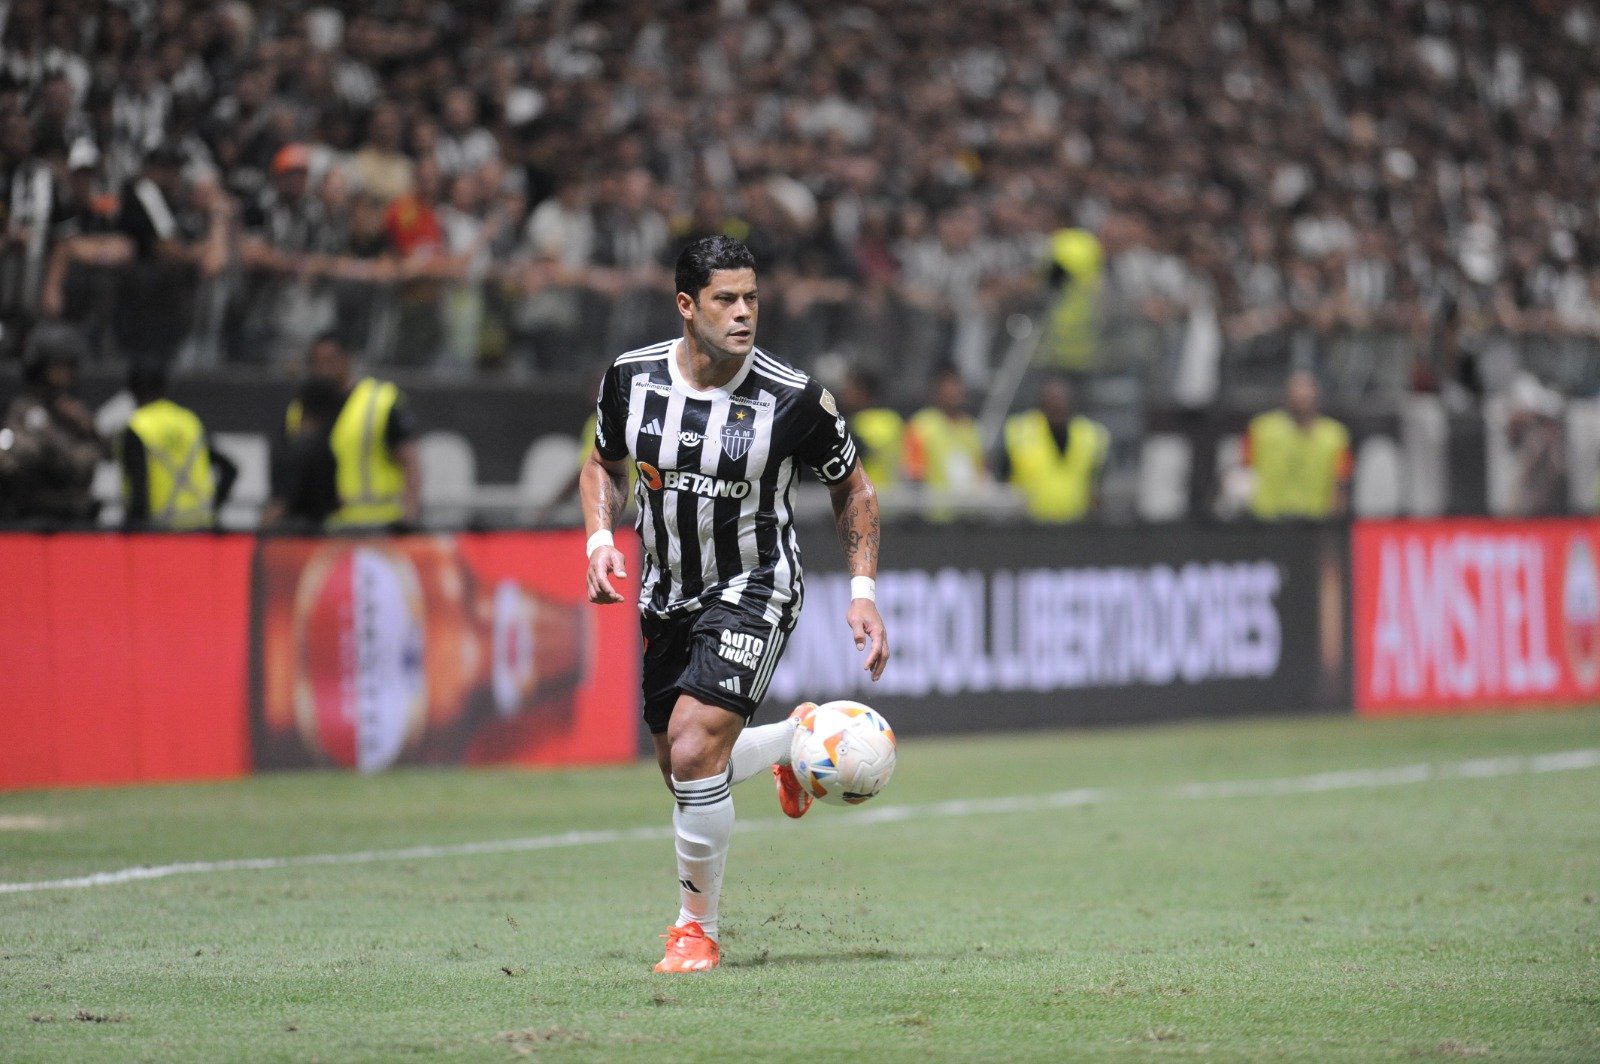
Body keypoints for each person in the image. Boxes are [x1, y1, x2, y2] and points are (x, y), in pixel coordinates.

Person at [580, 235, 889, 973]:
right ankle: (791, 739)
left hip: (755, 585)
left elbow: (853, 487)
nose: (744, 312)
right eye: (726, 299)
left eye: (752, 297)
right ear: (687, 306)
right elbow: (601, 464)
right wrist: (598, 538)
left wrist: (863, 591)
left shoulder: (795, 397)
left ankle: (696, 930)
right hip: (665, 592)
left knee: (695, 749)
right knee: (682, 767)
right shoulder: (631, 379)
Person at [270, 333, 420, 530]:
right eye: (317, 362)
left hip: (375, 525)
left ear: (346, 359)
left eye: (330, 360)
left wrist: (409, 519)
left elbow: (409, 461)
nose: (323, 368)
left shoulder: (377, 402)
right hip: (319, 528)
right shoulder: (298, 410)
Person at [0, 326, 105, 524]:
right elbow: (9, 462)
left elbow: (91, 459)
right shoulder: (22, 410)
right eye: (57, 367)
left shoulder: (75, 413)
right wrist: (45, 441)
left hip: (74, 520)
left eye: (68, 367)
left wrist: (88, 428)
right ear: (39, 368)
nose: (64, 375)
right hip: (27, 519)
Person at [117, 361, 238, 530]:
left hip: (158, 532)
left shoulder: (137, 427)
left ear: (131, 391)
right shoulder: (189, 422)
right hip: (200, 530)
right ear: (165, 387)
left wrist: (130, 531)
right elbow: (230, 469)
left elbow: (139, 492)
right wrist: (213, 509)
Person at [998, 375, 1109, 522]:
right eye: (1052, 399)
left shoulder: (1089, 435)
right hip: (1027, 526)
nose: (1056, 404)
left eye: (1060, 399)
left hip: (1077, 525)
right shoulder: (1019, 432)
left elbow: (1097, 485)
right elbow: (1002, 481)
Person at [1245, 370, 1352, 520]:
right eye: (1296, 393)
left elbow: (1341, 482)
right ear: (1286, 395)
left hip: (1315, 520)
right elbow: (1244, 472)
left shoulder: (1335, 436)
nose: (1301, 398)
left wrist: (1334, 522)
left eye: (1306, 394)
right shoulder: (1261, 429)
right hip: (1267, 519)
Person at [902, 365, 987, 521]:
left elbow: (981, 471)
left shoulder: (971, 428)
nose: (953, 393)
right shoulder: (921, 426)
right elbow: (914, 473)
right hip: (935, 517)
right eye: (947, 389)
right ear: (936, 392)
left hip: (968, 516)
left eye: (956, 388)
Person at [838, 369, 903, 497]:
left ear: (863, 393)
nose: (844, 394)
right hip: (894, 497)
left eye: (850, 389)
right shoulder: (894, 420)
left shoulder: (856, 424)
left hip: (865, 495)